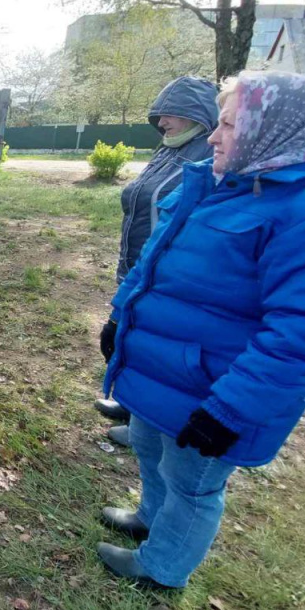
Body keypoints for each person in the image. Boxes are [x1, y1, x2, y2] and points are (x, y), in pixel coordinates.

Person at [96, 71, 305, 589]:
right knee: (148, 446)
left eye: (229, 125)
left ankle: (162, 569)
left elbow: (299, 335)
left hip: (213, 388)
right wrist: (118, 313)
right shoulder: (216, 182)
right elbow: (154, 257)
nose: (214, 137)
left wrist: (231, 410)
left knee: (191, 482)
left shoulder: (300, 213)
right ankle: (150, 516)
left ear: (273, 133)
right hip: (166, 370)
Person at [96, 77, 219, 446]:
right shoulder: (169, 149)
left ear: (197, 114)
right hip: (138, 263)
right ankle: (132, 404)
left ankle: (143, 423)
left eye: (171, 115)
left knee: (152, 344)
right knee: (129, 338)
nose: (161, 122)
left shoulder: (207, 156)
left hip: (166, 275)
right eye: (159, 115)